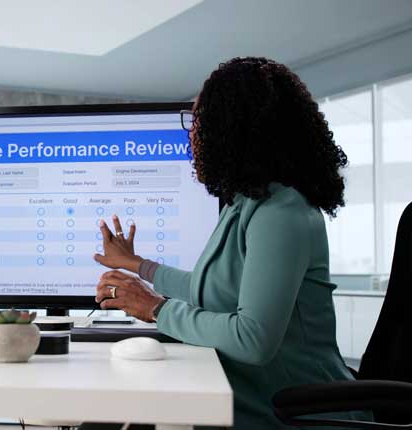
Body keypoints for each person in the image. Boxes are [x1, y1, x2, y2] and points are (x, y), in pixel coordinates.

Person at [92, 57, 371, 429]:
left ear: (231, 129)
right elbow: (210, 290)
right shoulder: (244, 204)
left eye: (198, 121)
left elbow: (253, 339)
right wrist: (137, 265)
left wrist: (156, 308)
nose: (192, 135)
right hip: (248, 398)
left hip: (295, 413)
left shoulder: (281, 212)